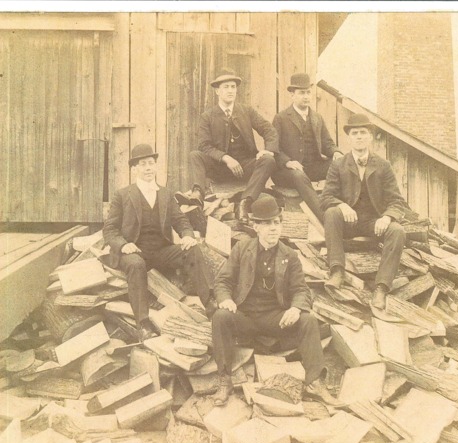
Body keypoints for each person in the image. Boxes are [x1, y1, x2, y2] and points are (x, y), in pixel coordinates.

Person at [211, 195, 339, 407]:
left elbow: (301, 289)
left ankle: (314, 382)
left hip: (276, 319)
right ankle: (225, 381)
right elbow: (222, 281)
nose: (273, 228)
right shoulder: (242, 249)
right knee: (220, 316)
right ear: (256, 226)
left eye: (277, 223)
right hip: (246, 318)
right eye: (267, 223)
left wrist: (296, 308)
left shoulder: (290, 255)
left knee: (308, 320)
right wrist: (225, 300)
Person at [103, 143, 216, 341]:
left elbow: (180, 220)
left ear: (156, 167)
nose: (148, 168)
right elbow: (110, 230)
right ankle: (143, 324)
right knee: (137, 264)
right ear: (134, 169)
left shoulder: (165, 194)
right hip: (133, 253)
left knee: (193, 250)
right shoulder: (122, 195)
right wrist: (123, 245)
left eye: (151, 163)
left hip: (160, 251)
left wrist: (188, 235)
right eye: (142, 164)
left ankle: (211, 305)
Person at [321, 114, 406, 309]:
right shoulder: (338, 164)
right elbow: (326, 197)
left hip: (373, 224)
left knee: (398, 231)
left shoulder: (383, 166)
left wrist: (386, 217)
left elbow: (396, 200)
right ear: (349, 138)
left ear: (370, 137)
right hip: (348, 223)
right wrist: (342, 205)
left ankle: (381, 288)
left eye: (363, 133)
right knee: (331, 213)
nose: (359, 137)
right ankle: (337, 270)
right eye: (355, 133)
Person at [180, 69, 279, 223]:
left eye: (233, 87)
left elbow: (269, 130)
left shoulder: (246, 111)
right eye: (226, 87)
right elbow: (204, 145)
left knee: (269, 160)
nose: (230, 90)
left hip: (245, 167)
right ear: (217, 91)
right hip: (220, 169)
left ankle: (245, 202)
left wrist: (268, 150)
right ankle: (198, 195)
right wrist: (225, 158)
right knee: (195, 155)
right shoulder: (208, 116)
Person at [272, 73, 343, 222]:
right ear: (292, 95)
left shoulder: (317, 117)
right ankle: (325, 217)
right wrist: (288, 162)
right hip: (287, 172)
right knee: (298, 174)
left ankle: (351, 209)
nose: (306, 96)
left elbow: (327, 144)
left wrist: (336, 152)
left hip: (312, 168)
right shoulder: (281, 118)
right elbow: (274, 149)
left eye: (308, 92)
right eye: (301, 93)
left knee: (344, 163)